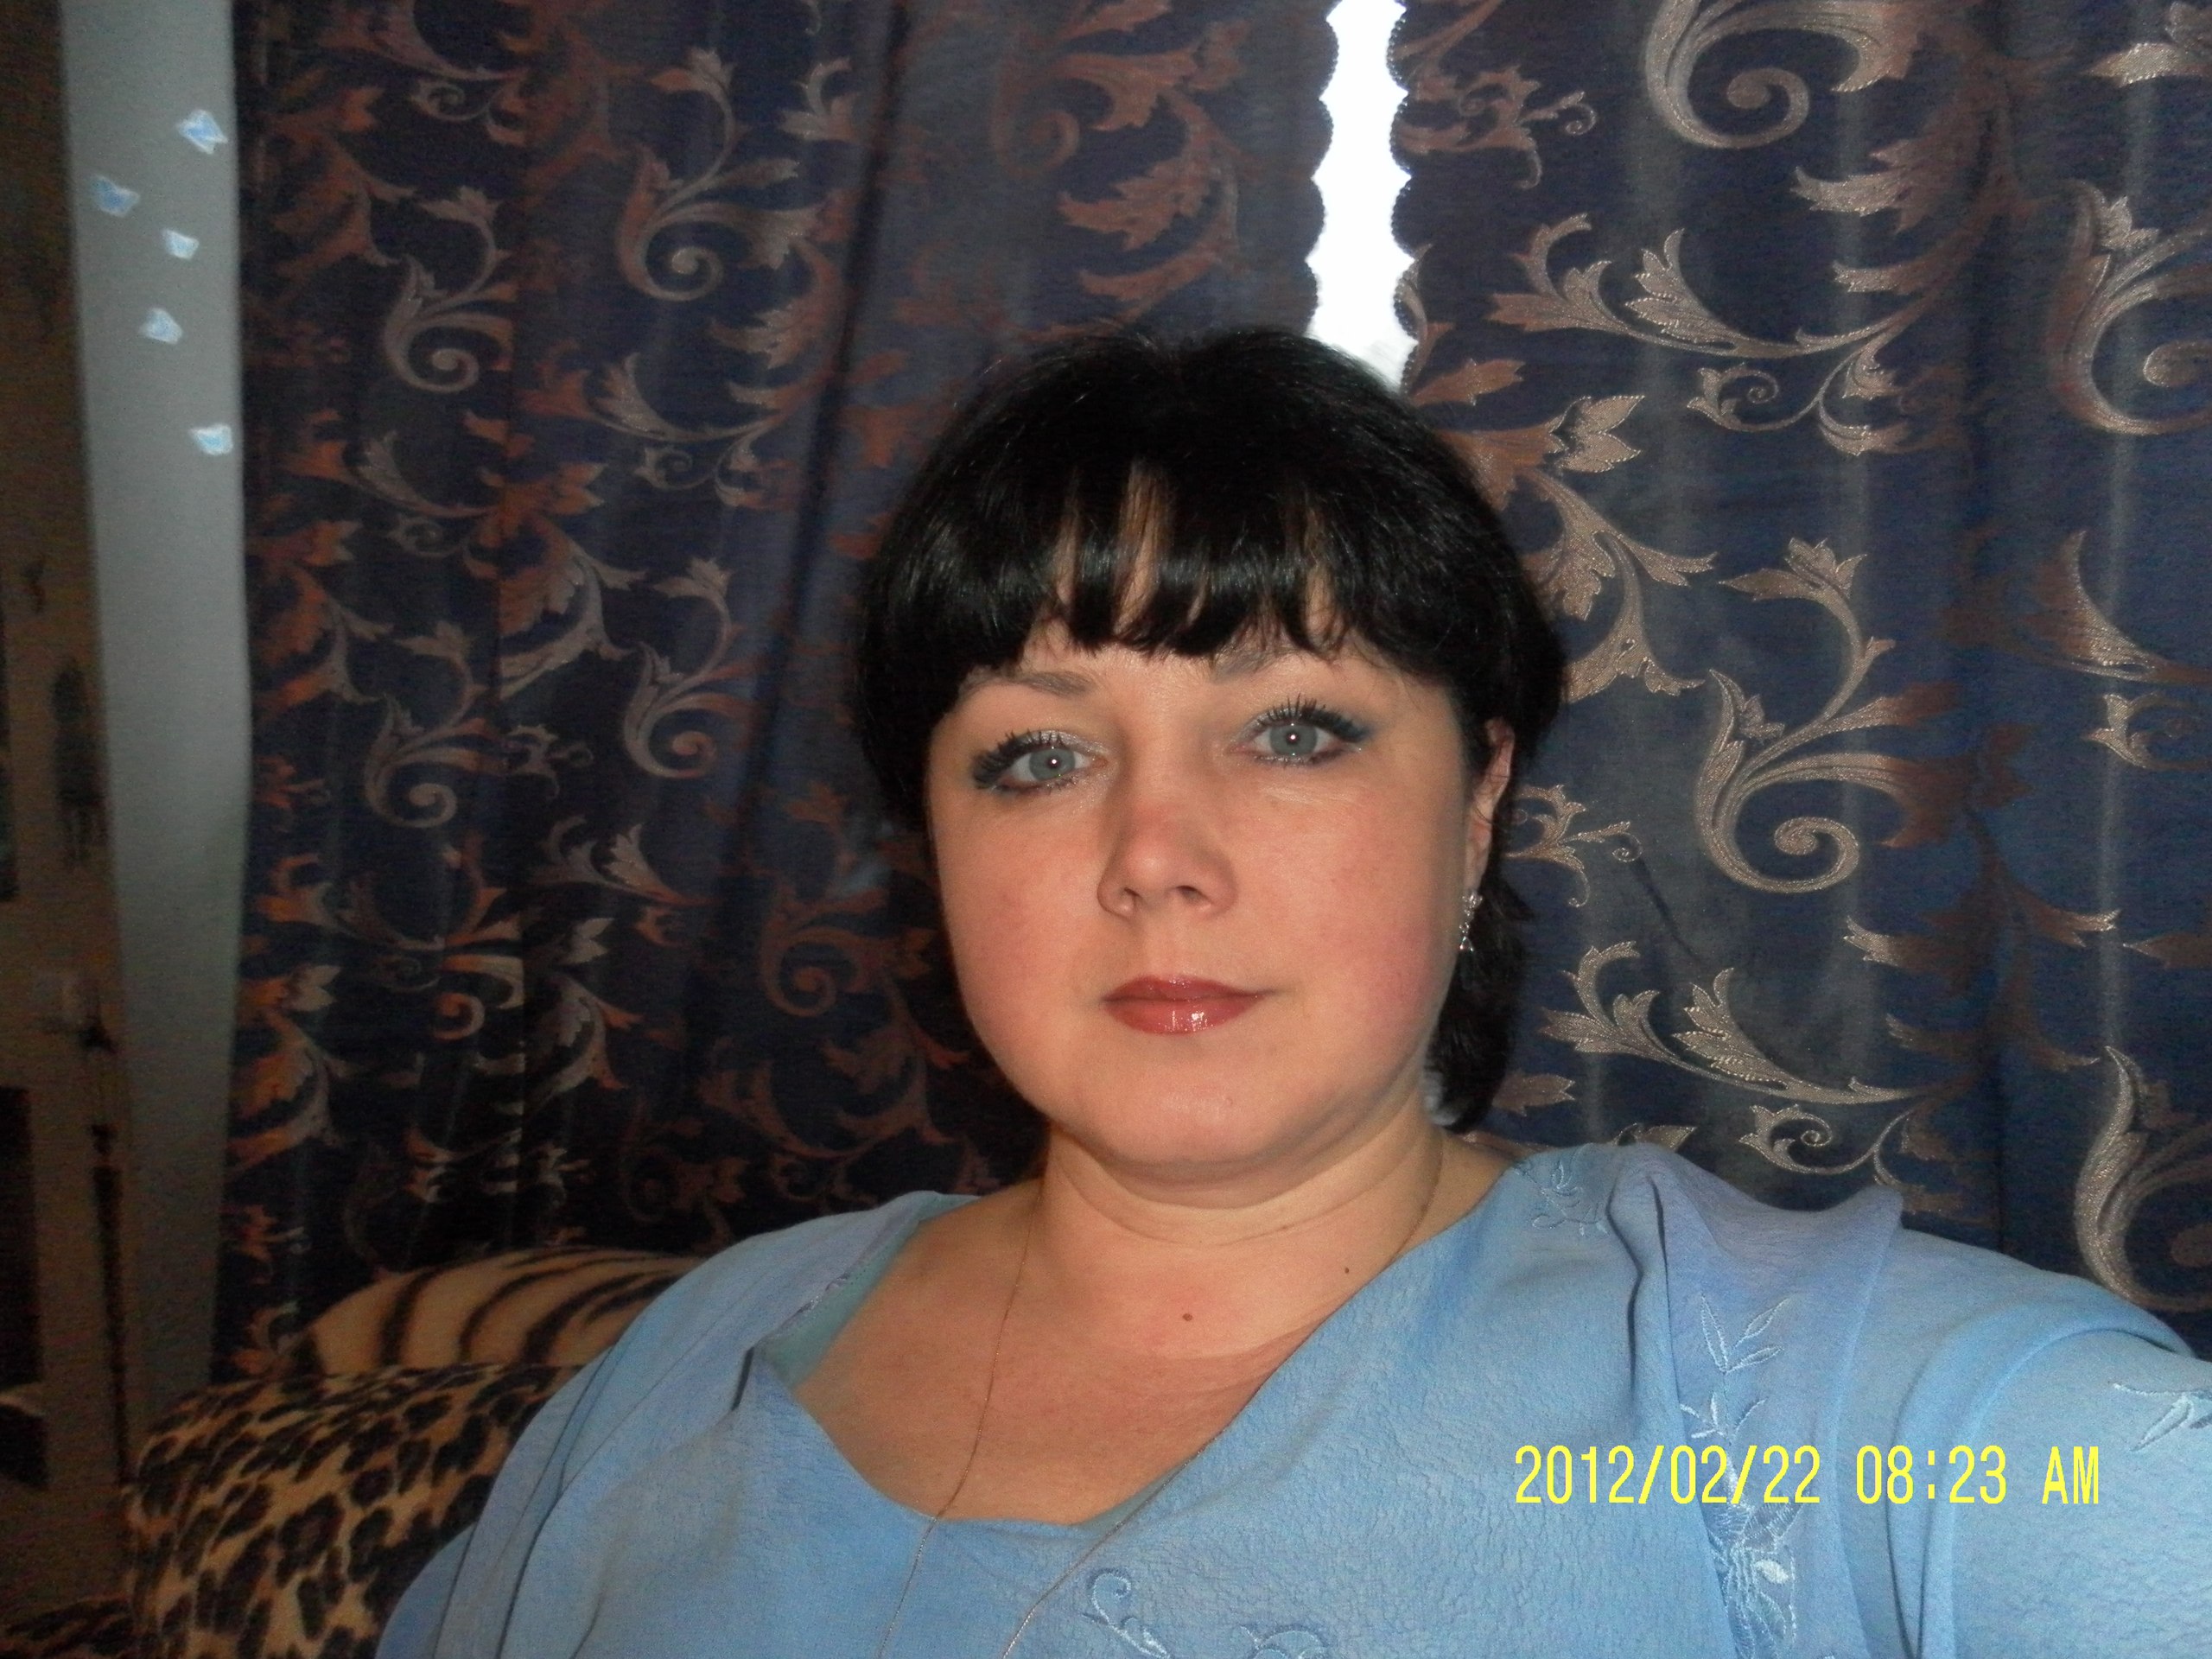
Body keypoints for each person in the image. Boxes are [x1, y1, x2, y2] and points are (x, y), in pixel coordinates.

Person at [379, 329, 2212, 1659]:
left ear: (1477, 801)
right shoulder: (694, 1357)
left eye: (1294, 731)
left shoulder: (1855, 1426)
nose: (1153, 855)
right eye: (1035, 757)